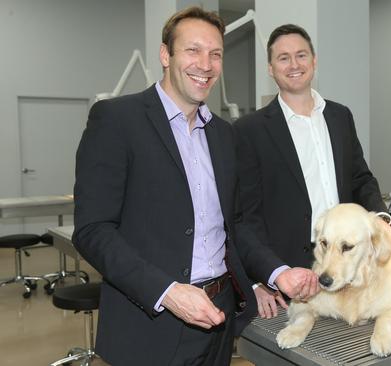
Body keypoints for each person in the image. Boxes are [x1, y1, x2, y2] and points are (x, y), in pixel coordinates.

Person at [73, 8, 312, 365]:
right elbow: (93, 231)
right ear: (165, 55)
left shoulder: (224, 135)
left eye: (215, 54)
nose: (206, 63)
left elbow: (237, 226)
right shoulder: (117, 120)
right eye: (193, 50)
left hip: (219, 316)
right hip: (150, 322)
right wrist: (167, 292)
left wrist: (278, 272)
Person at [234, 24, 388, 319]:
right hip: (288, 279)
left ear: (314, 61)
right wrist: (263, 277)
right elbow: (245, 216)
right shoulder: (249, 131)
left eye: (301, 55)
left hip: (347, 271)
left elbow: (360, 178)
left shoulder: (340, 116)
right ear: (270, 68)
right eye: (283, 58)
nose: (294, 65)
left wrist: (380, 221)